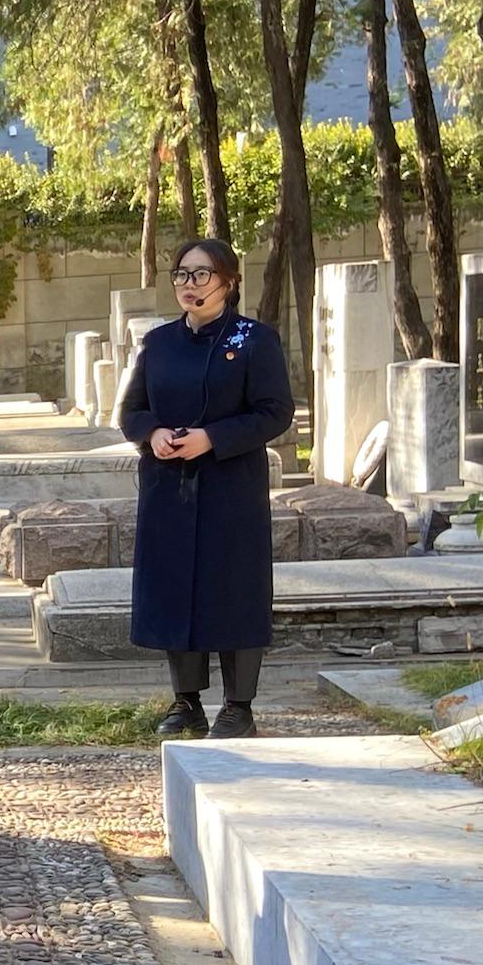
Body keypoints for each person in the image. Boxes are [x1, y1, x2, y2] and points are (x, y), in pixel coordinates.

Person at [121, 236, 296, 741]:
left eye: (201, 274)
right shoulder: (159, 343)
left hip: (230, 485)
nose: (189, 284)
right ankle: (187, 701)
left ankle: (239, 706)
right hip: (169, 484)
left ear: (228, 281)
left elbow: (274, 412)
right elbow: (131, 411)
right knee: (176, 588)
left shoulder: (254, 339)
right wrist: (154, 433)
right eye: (181, 274)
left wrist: (212, 439)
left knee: (233, 589)